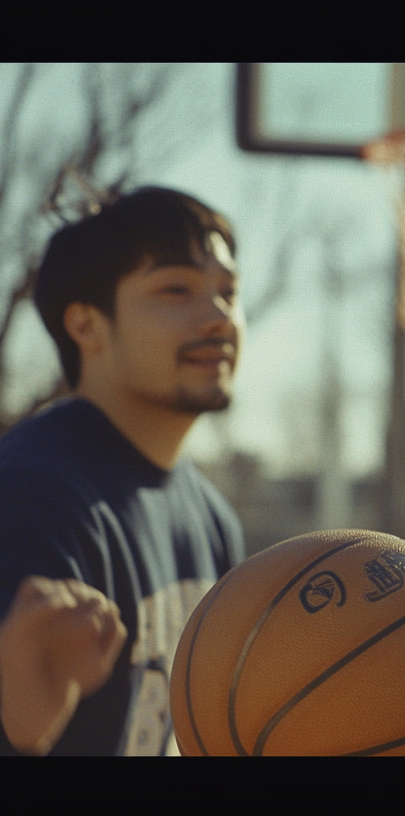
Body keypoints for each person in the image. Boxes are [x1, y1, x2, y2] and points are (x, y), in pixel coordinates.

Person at [0, 187, 247, 755]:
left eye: (228, 292)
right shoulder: (30, 498)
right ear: (87, 325)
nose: (218, 317)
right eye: (176, 289)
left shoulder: (214, 520)